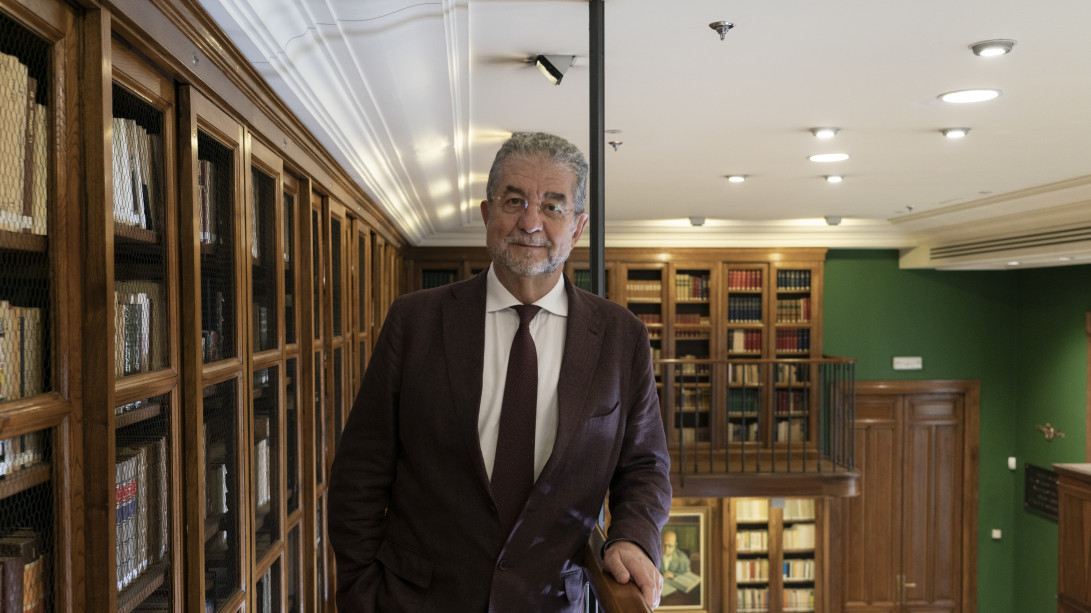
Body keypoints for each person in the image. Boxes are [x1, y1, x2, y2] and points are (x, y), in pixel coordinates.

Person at [328, 131, 672, 612]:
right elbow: (359, 475)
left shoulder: (622, 338)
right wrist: (362, 595)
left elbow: (645, 467)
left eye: (553, 206)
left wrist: (633, 537)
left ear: (576, 228)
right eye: (515, 200)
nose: (530, 222)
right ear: (488, 215)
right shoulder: (415, 322)